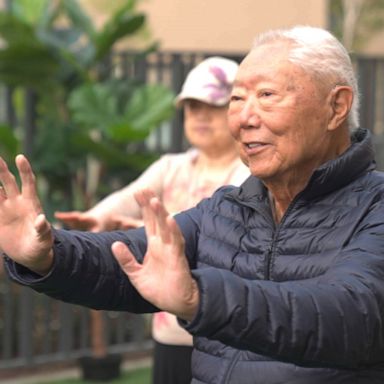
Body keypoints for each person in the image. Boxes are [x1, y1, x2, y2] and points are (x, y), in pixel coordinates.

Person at [1, 25, 384, 383]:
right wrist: (48, 254)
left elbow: (351, 314)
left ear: (336, 107)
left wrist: (201, 298)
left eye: (266, 96)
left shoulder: (375, 207)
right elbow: (132, 257)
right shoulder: (227, 209)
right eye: (236, 99)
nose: (244, 118)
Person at [54, 56, 250, 384]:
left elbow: (222, 230)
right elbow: (130, 197)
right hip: (170, 332)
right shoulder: (171, 166)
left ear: (238, 111)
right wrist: (96, 217)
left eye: (213, 106)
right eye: (192, 107)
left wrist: (158, 231)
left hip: (225, 330)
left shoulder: (248, 174)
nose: (200, 116)